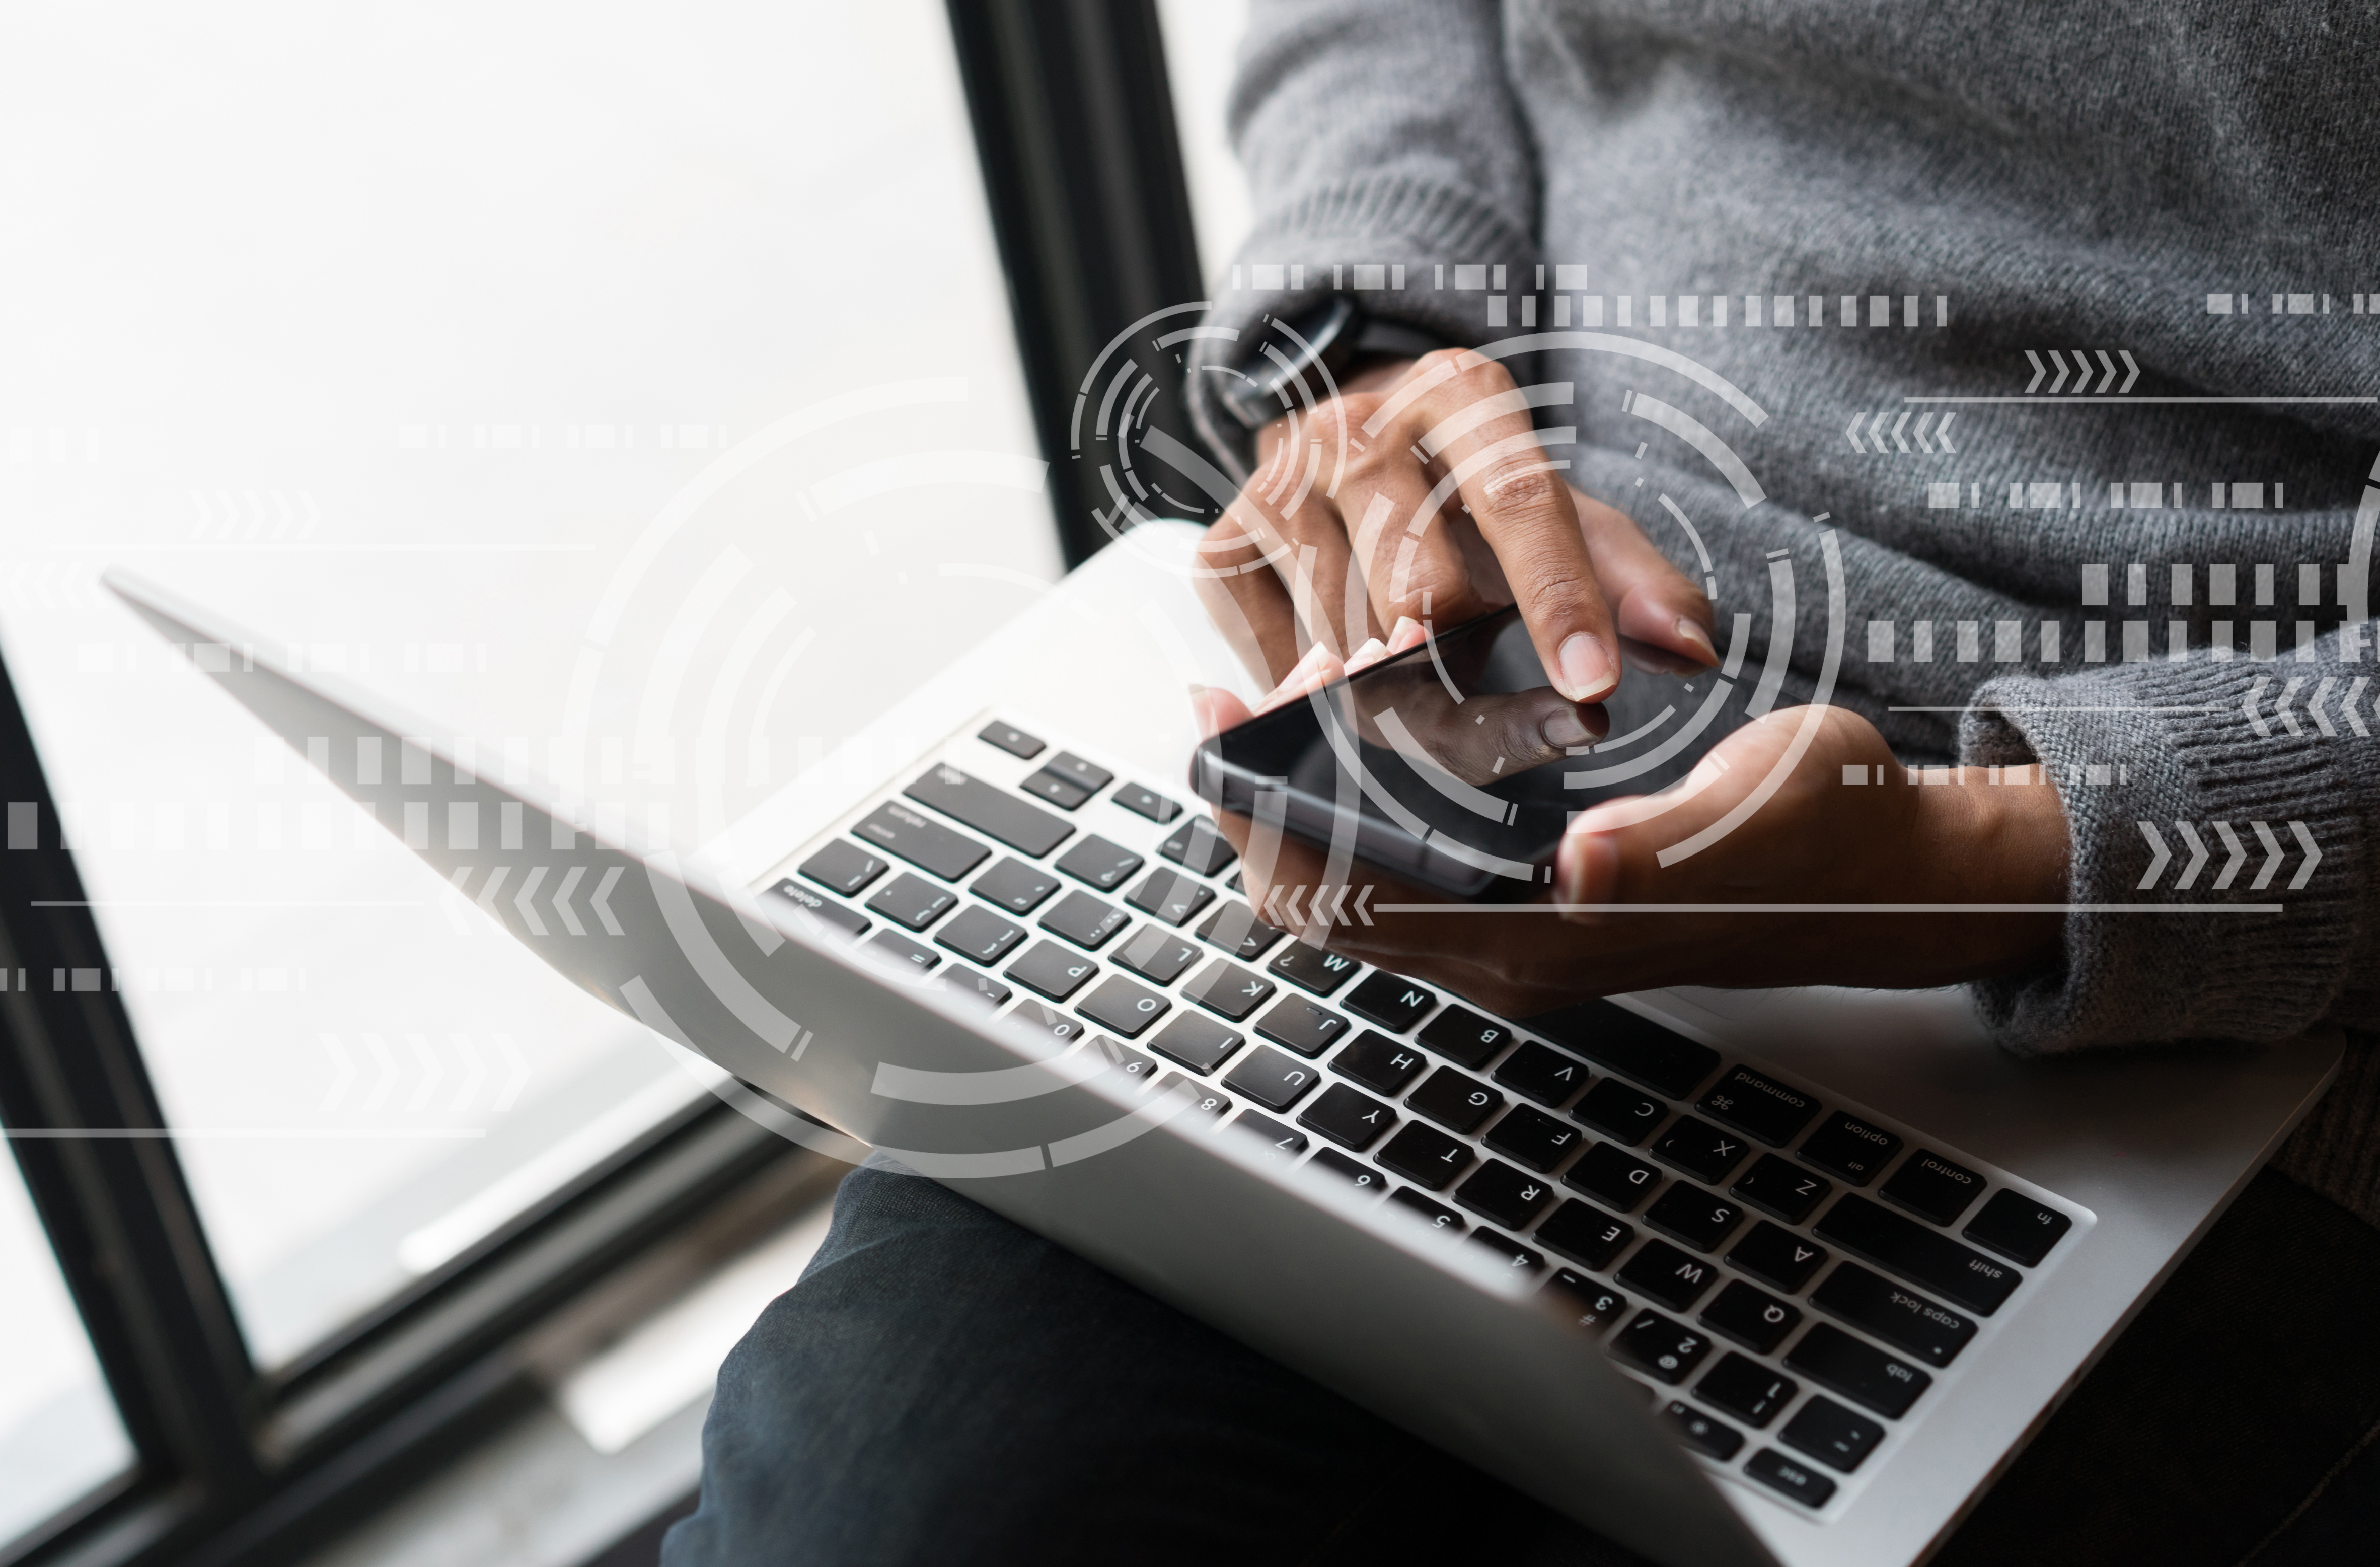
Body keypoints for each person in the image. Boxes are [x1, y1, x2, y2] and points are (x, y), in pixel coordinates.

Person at [664, 4, 2380, 1560]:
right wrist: (1375, 361)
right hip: (1520, 654)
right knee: (880, 1509)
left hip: (2223, 963)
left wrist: (2000, 851)